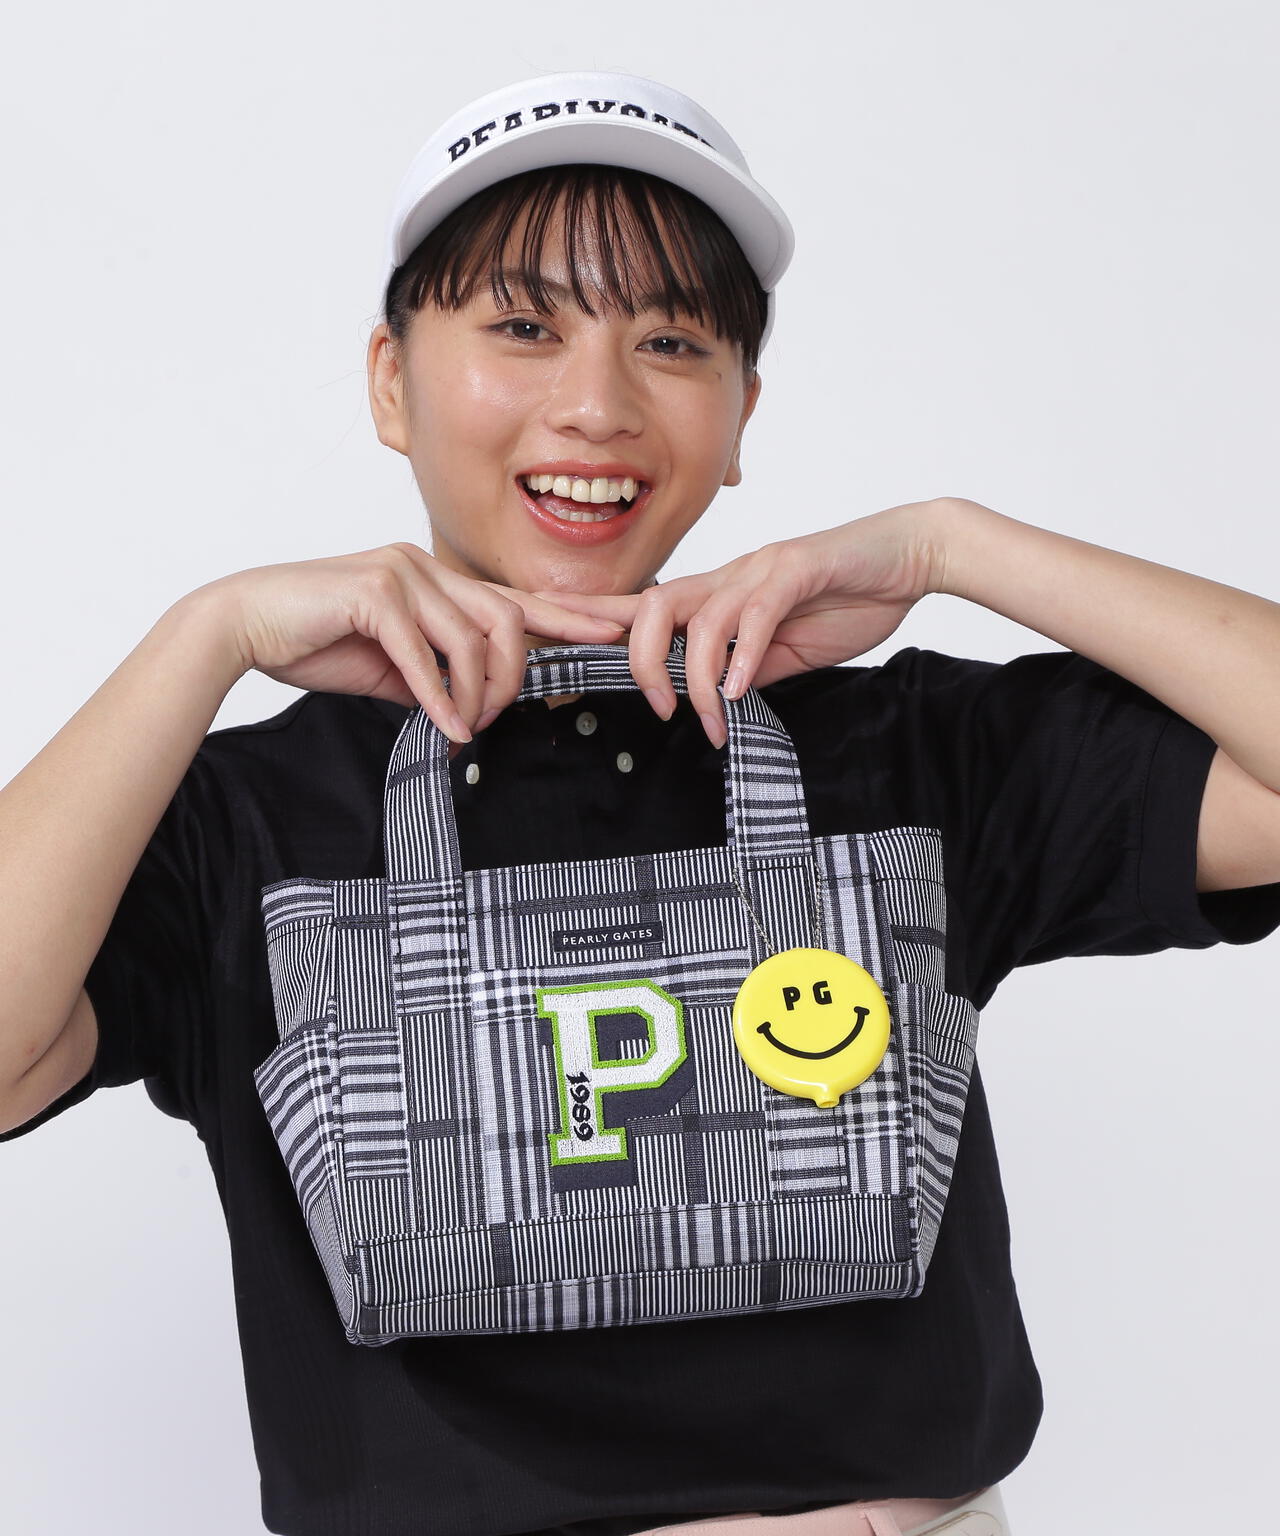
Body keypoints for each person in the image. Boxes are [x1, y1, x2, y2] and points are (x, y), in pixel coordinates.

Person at [2, 67, 1279, 1536]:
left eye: (672, 342)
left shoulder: (903, 757)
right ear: (390, 382)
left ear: (740, 420)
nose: (597, 406)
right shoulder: (244, 821)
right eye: (523, 327)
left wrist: (951, 546)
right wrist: (204, 635)